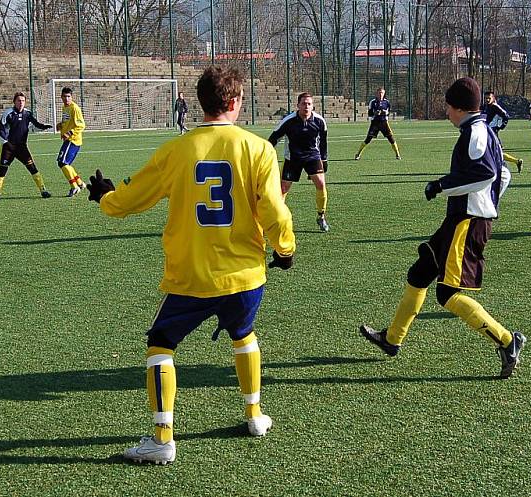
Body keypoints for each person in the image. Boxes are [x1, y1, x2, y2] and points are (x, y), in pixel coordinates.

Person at [86, 66, 296, 465]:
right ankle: (254, 415)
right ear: (234, 103)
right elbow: (274, 211)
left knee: (160, 345)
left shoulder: (176, 150)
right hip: (244, 274)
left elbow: (130, 201)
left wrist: (106, 198)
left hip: (191, 276)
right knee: (244, 335)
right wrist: (284, 250)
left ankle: (163, 438)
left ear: (200, 103)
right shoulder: (258, 149)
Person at [358, 77, 526, 379]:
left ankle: (507, 340)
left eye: (448, 106)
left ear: (459, 107)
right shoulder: (483, 130)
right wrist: (490, 203)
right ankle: (392, 339)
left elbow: (486, 173)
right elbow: (503, 174)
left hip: (467, 222)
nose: (446, 111)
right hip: (463, 218)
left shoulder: (475, 132)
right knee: (420, 272)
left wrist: (441, 185)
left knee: (448, 294)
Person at [268, 92, 330, 232]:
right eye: (303, 103)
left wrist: (324, 159)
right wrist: (265, 154)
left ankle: (321, 216)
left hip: (312, 156)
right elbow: (273, 138)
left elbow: (323, 142)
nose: (306, 106)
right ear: (298, 105)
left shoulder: (319, 121)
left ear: (313, 106)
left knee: (321, 184)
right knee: (283, 189)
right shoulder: (289, 121)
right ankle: (276, 220)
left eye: (309, 104)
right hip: (293, 158)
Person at [0, 92, 52, 200]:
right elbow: (0, 129)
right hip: (8, 148)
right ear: (14, 102)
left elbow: (36, 124)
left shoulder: (27, 113)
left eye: (23, 101)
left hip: (22, 148)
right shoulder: (8, 113)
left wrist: (44, 126)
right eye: (19, 101)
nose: (21, 103)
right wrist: (5, 142)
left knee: (33, 168)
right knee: (2, 171)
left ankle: (43, 190)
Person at [354, 87, 401, 160]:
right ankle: (358, 154)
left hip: (384, 123)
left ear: (384, 93)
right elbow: (369, 113)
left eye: (382, 93)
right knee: (368, 139)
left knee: (391, 139)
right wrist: (375, 113)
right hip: (375, 123)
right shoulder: (372, 102)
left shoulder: (387, 102)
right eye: (379, 93)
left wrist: (384, 112)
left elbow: (388, 112)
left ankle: (397, 154)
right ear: (376, 94)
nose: (380, 94)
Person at [482, 90, 523, 173]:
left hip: (492, 132)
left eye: (489, 98)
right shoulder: (485, 106)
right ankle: (515, 162)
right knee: (492, 152)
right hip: (487, 131)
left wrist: (501, 126)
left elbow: (506, 115)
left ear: (493, 98)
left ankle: (509, 164)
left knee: (494, 152)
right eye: (486, 98)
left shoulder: (495, 106)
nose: (487, 100)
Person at [56, 87, 87, 197]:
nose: (66, 98)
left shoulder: (75, 108)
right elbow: (69, 121)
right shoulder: (65, 107)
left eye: (68, 96)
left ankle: (75, 187)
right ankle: (80, 183)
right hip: (68, 140)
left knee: (62, 163)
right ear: (61, 97)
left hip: (73, 140)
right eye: (64, 96)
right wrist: (61, 125)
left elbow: (81, 125)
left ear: (72, 97)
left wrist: (69, 133)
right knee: (65, 164)